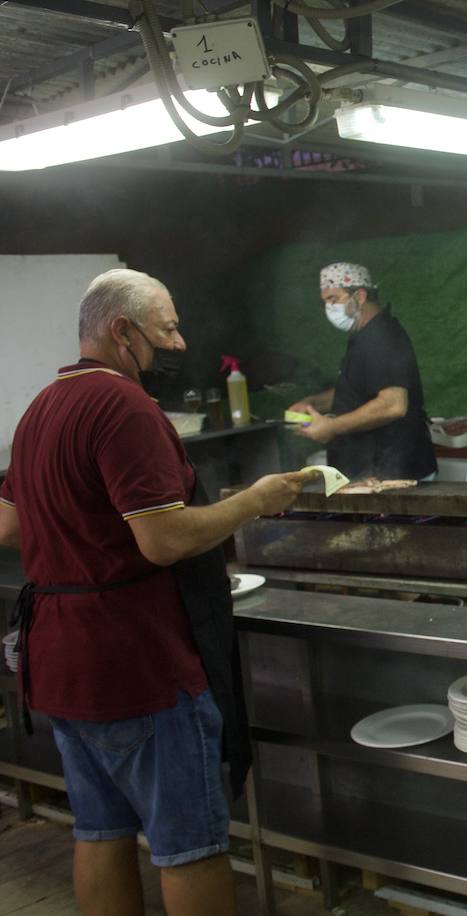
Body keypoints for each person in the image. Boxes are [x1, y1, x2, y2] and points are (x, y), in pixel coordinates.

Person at [0, 269, 311, 916]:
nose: (177, 342)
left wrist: (82, 544)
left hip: (58, 661)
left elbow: (8, 526)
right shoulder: (124, 407)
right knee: (188, 847)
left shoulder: (40, 409)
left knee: (99, 833)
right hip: (136, 664)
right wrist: (253, 501)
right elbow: (163, 541)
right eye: (166, 329)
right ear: (122, 331)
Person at [288, 262, 438, 480]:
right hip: (368, 471)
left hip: (393, 470)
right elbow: (357, 389)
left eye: (333, 299)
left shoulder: (384, 336)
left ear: (359, 296)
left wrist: (332, 427)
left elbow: (393, 404)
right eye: (325, 302)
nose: (329, 309)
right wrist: (314, 403)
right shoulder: (363, 337)